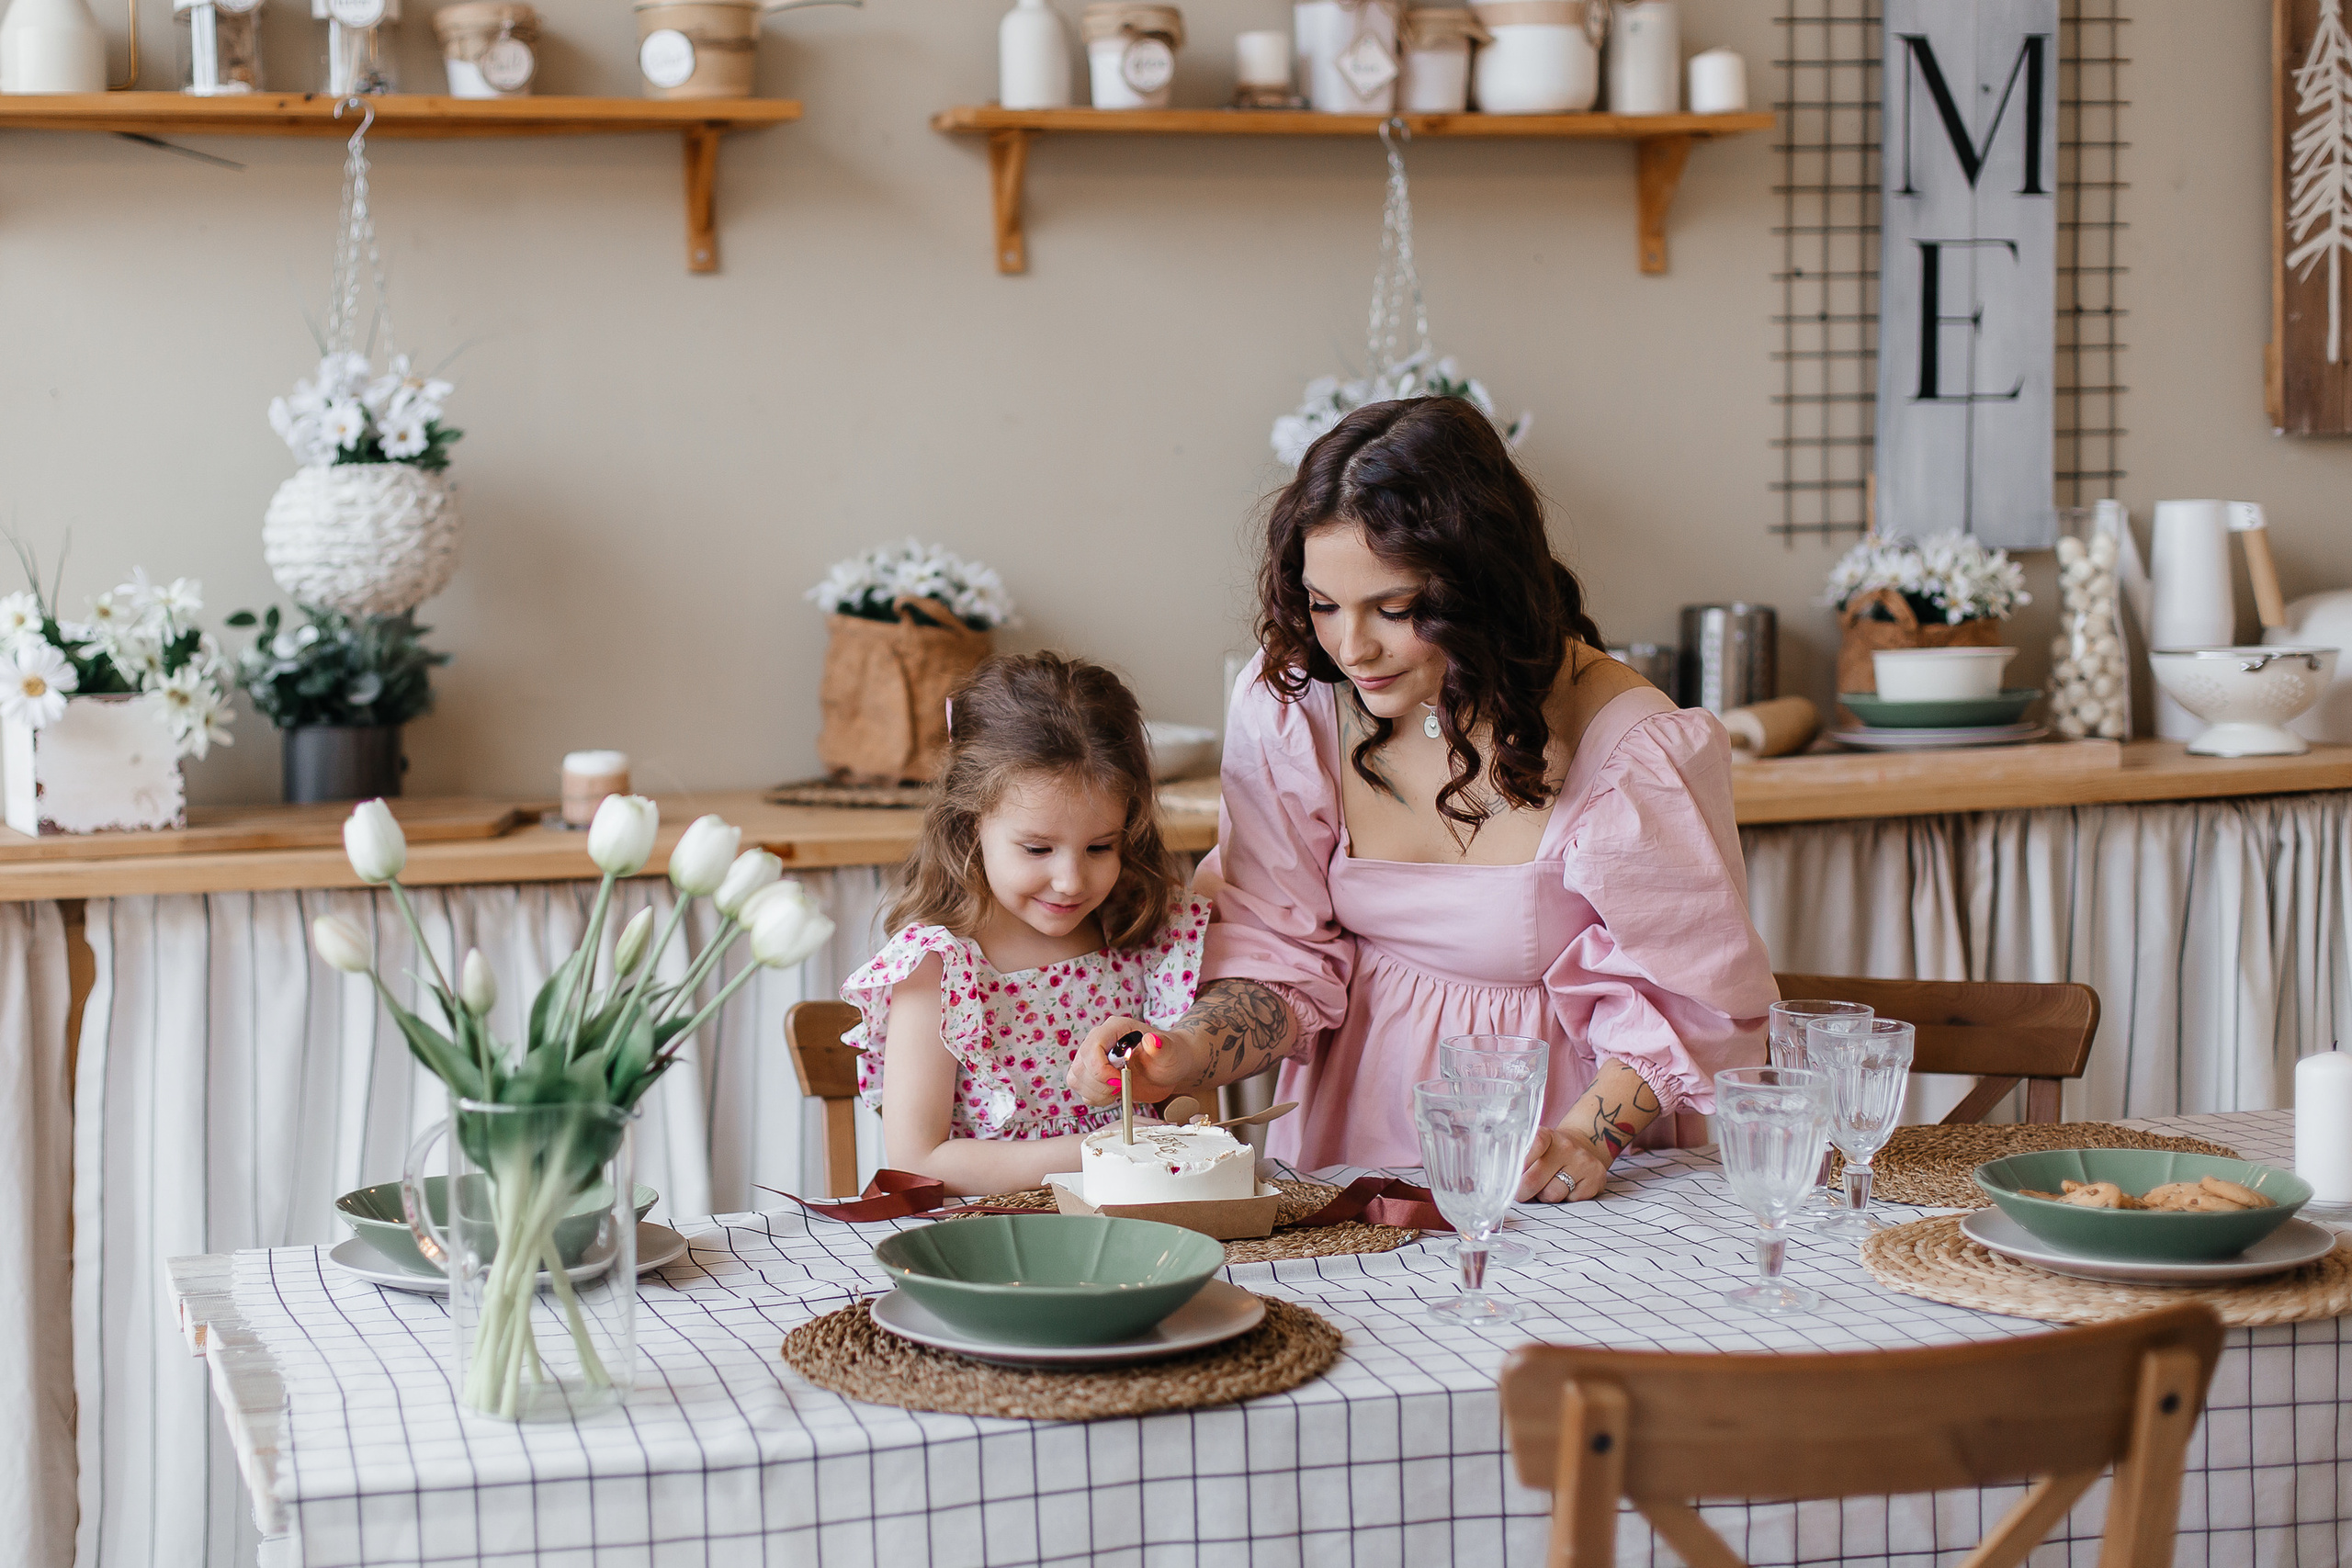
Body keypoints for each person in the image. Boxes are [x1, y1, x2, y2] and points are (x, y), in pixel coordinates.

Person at [1066, 398, 1776, 1201]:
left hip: (1554, 1148)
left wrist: (1585, 1137)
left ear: (1482, 588)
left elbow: (1688, 1001)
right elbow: (1277, 952)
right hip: (1352, 1134)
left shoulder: (1631, 747)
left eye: (1395, 609)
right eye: (1324, 604)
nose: (1352, 648)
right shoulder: (1297, 706)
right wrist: (1184, 1050)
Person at [842, 651, 1214, 1195]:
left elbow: (1187, 1109)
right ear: (969, 824)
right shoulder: (941, 966)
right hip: (1001, 1228)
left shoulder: (1147, 933)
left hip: (1140, 1218)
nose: (1070, 880)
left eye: (1100, 847)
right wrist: (1095, 1151)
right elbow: (918, 1159)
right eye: (1038, 848)